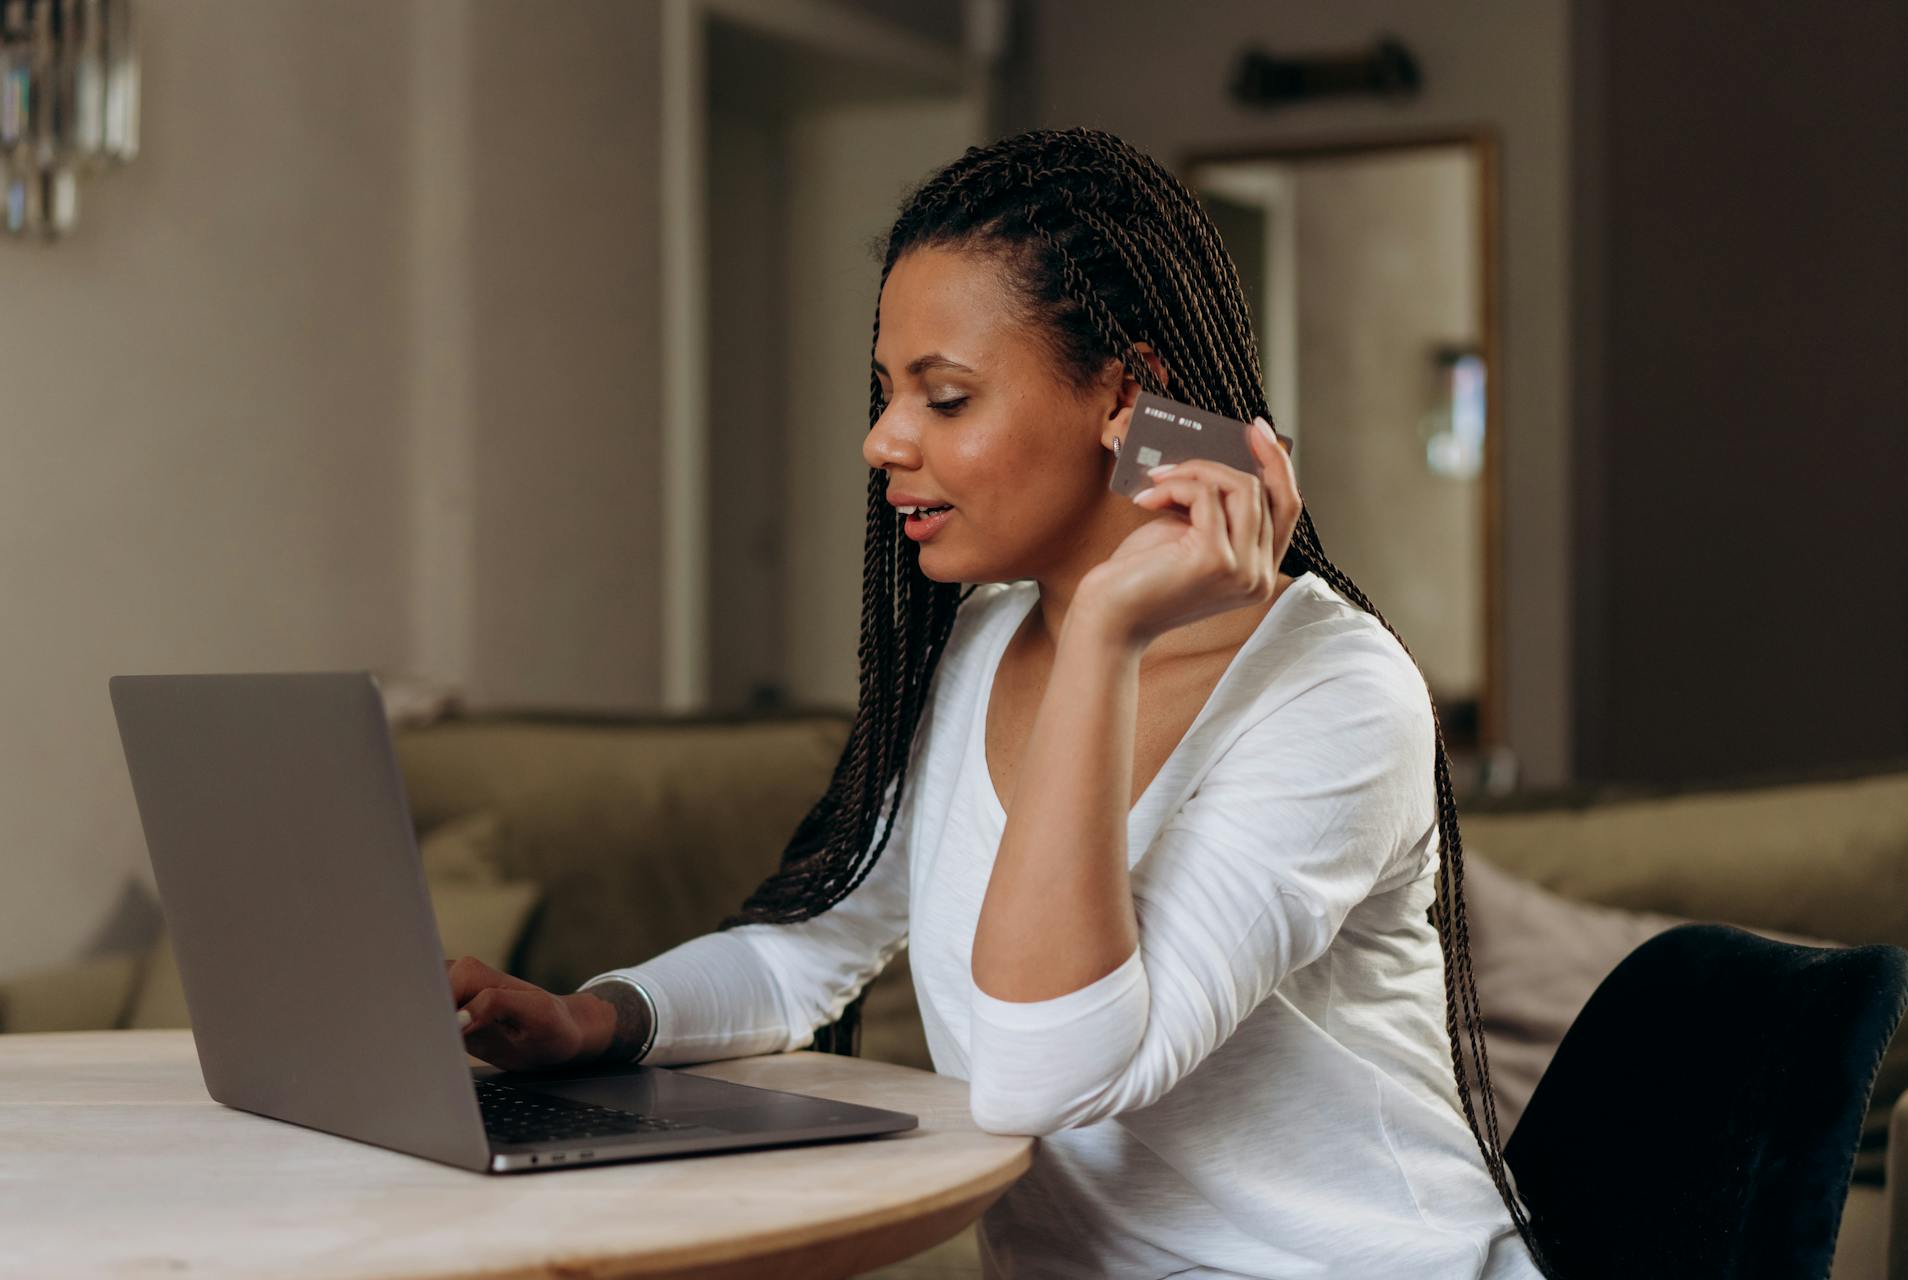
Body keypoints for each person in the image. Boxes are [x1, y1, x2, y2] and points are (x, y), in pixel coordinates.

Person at [447, 126, 1554, 1279]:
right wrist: (592, 1019)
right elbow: (810, 951)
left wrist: (1107, 634)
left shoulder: (1336, 691)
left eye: (947, 396)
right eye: (887, 393)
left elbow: (1045, 1076)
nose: (884, 440)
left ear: (1125, 394)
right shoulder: (980, 642)